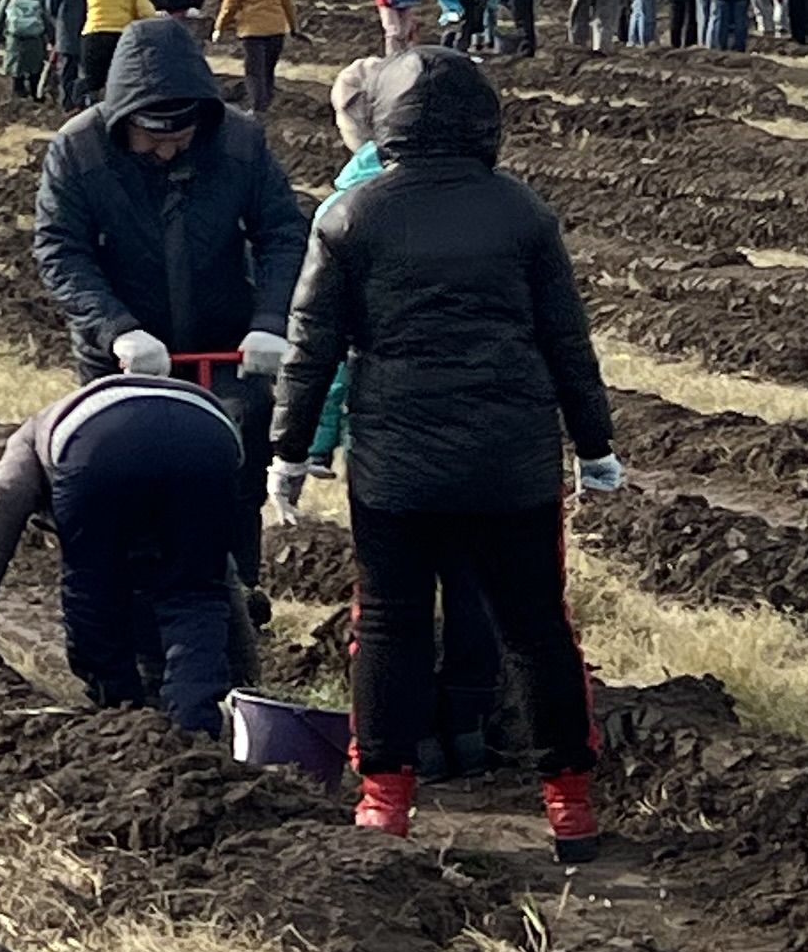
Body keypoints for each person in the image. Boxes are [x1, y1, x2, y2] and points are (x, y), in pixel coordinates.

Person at [266, 46, 620, 859]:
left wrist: (289, 451)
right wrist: (594, 446)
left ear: (388, 123)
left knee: (389, 625)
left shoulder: (351, 215)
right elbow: (567, 340)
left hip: (397, 464)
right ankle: (569, 804)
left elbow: (311, 345)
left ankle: (385, 803)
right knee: (537, 628)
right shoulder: (521, 212)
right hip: (513, 460)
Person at [31, 16, 308, 599]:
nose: (166, 149)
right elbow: (61, 250)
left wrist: (268, 322)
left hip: (223, 343)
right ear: (123, 118)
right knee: (126, 472)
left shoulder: (238, 142)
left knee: (236, 459)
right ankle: (127, 596)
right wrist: (117, 330)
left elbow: (282, 231)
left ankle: (239, 587)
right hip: (125, 355)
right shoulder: (79, 150)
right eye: (152, 137)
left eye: (178, 138)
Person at [0, 376, 248, 733]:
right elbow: (218, 577)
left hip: (99, 448)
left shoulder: (32, 436)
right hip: (209, 439)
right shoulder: (184, 418)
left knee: (93, 586)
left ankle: (122, 712)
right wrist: (244, 674)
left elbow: (0, 506)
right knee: (195, 590)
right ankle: (196, 724)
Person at [211, 0, 292, 119]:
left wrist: (219, 27)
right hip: (276, 28)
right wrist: (293, 26)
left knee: (254, 72)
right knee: (268, 70)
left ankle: (257, 110)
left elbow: (230, 4)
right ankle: (267, 104)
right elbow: (288, 2)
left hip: (251, 29)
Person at [68, 0, 150, 111]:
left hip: (94, 33)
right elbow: (146, 13)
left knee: (91, 79)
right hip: (122, 37)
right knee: (120, 77)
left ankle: (76, 108)